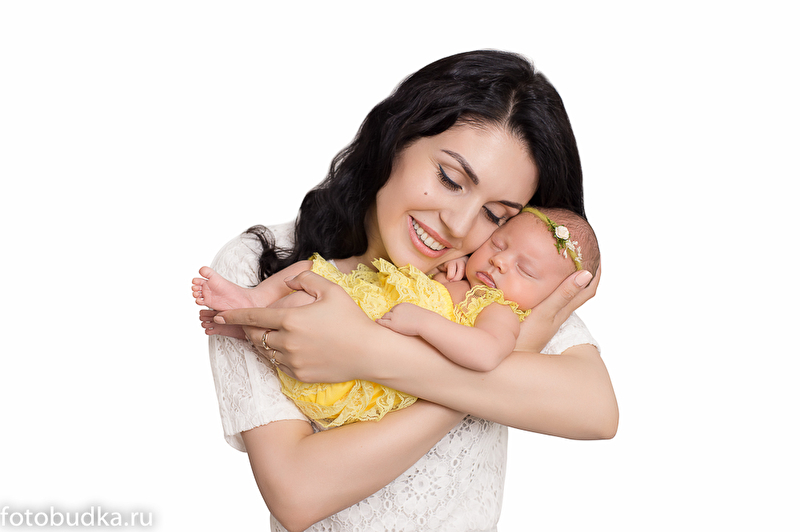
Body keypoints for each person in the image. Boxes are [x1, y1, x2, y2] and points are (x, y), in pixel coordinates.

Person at [201, 50, 617, 532]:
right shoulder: (261, 261)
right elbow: (297, 493)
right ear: (396, 137)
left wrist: (367, 350)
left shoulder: (494, 278)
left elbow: (596, 411)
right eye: (450, 179)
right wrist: (505, 364)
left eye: (496, 215)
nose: (459, 226)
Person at [193, 206, 600, 430]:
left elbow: (486, 353)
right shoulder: (461, 270)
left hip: (360, 371)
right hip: (357, 315)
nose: (499, 262)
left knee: (304, 307)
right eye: (498, 243)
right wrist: (451, 266)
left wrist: (427, 323)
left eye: (525, 270)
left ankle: (253, 323)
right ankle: (252, 302)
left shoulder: (500, 311)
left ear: (547, 297)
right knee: (311, 272)